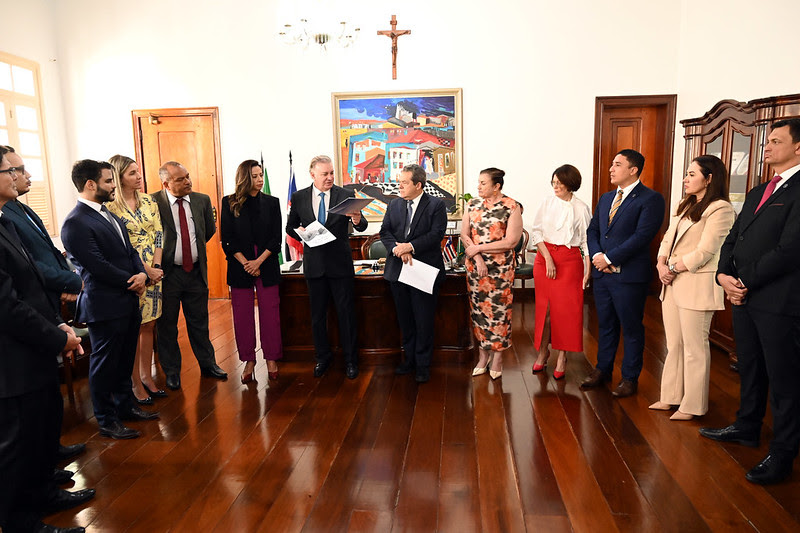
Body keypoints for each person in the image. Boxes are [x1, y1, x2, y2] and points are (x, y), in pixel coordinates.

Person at [700, 118, 800, 485]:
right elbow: (734, 237)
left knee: (785, 380)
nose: (767, 146)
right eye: (767, 141)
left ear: (798, 147)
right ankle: (747, 427)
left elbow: (790, 250)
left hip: (779, 301)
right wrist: (723, 274)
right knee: (751, 368)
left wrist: (744, 279)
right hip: (742, 297)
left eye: (775, 141)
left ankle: (784, 452)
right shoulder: (760, 190)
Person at [0, 148, 91, 533]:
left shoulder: (6, 222)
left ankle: (42, 496)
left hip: (34, 345)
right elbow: (6, 306)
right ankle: (21, 523)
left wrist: (59, 326)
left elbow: (33, 283)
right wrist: (56, 337)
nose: (18, 175)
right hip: (11, 358)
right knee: (15, 448)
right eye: (11, 170)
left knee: (38, 434)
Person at [62, 159, 159, 440]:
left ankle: (125, 407)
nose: (113, 185)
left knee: (124, 359)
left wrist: (141, 273)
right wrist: (134, 281)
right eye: (108, 181)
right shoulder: (75, 222)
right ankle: (106, 420)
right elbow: (97, 265)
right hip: (104, 304)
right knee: (104, 365)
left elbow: (129, 252)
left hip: (127, 300)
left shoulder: (109, 214)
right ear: (90, 185)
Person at [649, 155, 735, 420]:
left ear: (709, 179)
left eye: (691, 174)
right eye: (686, 174)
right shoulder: (685, 204)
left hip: (696, 282)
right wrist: (661, 264)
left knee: (694, 348)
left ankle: (693, 405)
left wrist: (673, 268)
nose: (685, 179)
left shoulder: (721, 209)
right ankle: (671, 397)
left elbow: (707, 251)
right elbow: (667, 239)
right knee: (674, 343)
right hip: (672, 282)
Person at [583, 149, 665, 397]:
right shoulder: (607, 197)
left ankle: (630, 378)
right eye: (611, 164)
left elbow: (642, 237)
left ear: (633, 170)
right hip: (603, 275)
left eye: (617, 164)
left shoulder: (650, 199)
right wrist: (598, 257)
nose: (611, 168)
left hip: (628, 277)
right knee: (606, 325)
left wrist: (609, 258)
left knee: (631, 328)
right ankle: (603, 370)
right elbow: (593, 230)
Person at [286, 155, 367, 379]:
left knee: (346, 315)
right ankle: (323, 358)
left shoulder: (345, 195)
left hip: (340, 265)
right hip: (314, 266)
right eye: (325, 174)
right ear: (312, 175)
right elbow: (291, 226)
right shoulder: (299, 197)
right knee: (317, 317)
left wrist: (358, 219)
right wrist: (301, 233)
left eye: (332, 173)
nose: (330, 177)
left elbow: (362, 226)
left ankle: (351, 361)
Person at [152, 161, 227, 390]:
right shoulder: (153, 202)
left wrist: (190, 251)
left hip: (195, 271)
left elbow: (208, 230)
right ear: (166, 183)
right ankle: (172, 371)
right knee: (167, 326)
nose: (188, 182)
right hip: (168, 274)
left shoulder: (201, 200)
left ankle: (208, 364)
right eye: (180, 179)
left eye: (187, 176)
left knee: (200, 322)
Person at [106, 155, 166, 405]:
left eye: (139, 171)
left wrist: (157, 266)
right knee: (133, 328)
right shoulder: (110, 207)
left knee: (149, 326)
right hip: (131, 274)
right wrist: (144, 270)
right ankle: (134, 382)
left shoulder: (149, 200)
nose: (139, 176)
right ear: (119, 178)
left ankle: (146, 374)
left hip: (155, 272)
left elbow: (159, 233)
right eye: (132, 173)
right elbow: (118, 245)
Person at [380, 163, 447, 383]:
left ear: (418, 185)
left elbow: (436, 234)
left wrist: (411, 246)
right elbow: (385, 232)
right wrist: (397, 249)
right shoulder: (394, 205)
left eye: (404, 182)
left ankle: (423, 365)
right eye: (399, 181)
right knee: (406, 319)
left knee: (423, 319)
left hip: (423, 271)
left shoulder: (435, 205)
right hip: (398, 270)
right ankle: (408, 360)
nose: (399, 185)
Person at [220, 159, 283, 383]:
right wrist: (246, 262)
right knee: (242, 315)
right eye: (255, 176)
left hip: (266, 262)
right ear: (245, 178)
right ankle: (248, 360)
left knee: (270, 314)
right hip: (240, 265)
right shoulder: (229, 202)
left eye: (260, 176)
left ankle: (272, 358)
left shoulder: (272, 202)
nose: (259, 180)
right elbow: (226, 239)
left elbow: (277, 238)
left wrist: (258, 262)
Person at [530, 164, 591, 380]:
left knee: (565, 311)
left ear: (570, 183)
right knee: (545, 310)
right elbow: (536, 232)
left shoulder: (581, 208)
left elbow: (585, 241)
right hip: (544, 257)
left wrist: (587, 269)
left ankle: (562, 356)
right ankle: (543, 352)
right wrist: (547, 258)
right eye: (553, 182)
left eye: (560, 183)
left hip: (570, 261)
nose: (555, 186)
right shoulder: (547, 203)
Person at [461, 167, 523, 380]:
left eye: (483, 183)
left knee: (498, 313)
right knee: (478, 312)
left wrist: (479, 249)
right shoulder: (472, 204)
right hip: (476, 268)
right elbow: (464, 234)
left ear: (497, 186)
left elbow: (511, 241)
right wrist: (476, 257)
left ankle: (497, 357)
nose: (478, 187)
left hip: (500, 270)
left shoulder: (511, 206)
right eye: (478, 182)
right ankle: (482, 355)